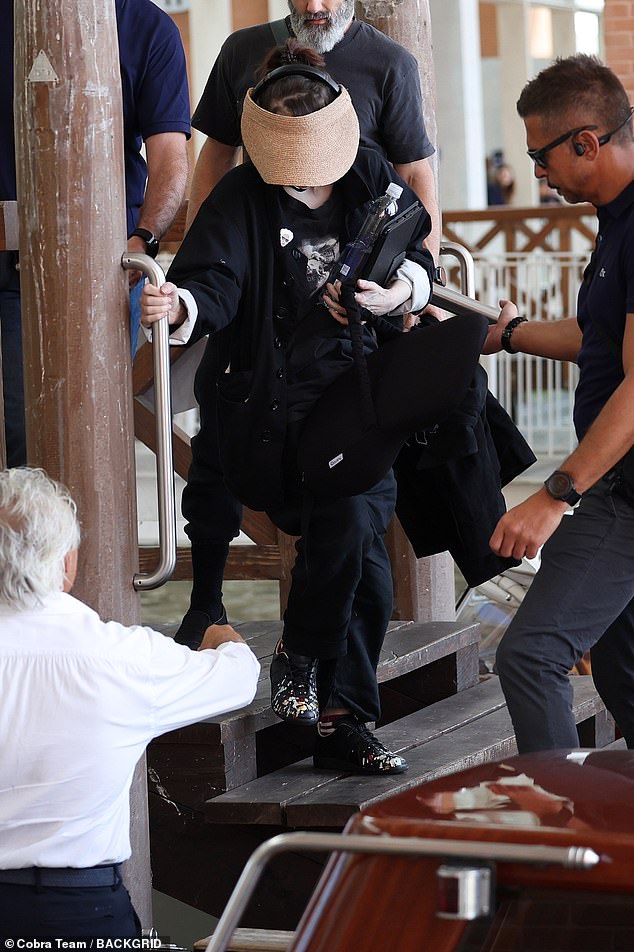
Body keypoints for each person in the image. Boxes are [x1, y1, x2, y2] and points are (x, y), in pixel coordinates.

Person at [141, 42, 436, 774]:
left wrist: (398, 294)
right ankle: (329, 699)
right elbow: (213, 281)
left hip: (357, 395)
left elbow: (418, 255)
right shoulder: (241, 198)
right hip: (270, 411)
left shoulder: (369, 173)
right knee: (353, 545)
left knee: (362, 547)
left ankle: (330, 701)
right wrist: (179, 305)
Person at [174, 0, 442, 648]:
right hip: (257, 282)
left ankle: (327, 668)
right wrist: (212, 238)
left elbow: (414, 180)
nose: (315, 4)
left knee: (355, 500)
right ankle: (208, 604)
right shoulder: (241, 54)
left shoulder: (390, 65)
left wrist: (416, 280)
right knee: (220, 435)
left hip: (355, 310)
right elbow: (215, 153)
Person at [0, 467, 260, 937]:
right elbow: (239, 680)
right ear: (67, 563)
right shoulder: (122, 657)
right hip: (78, 911)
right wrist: (224, 640)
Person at [483, 54, 634, 753]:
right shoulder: (615, 220)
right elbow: (597, 338)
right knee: (624, 676)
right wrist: (509, 333)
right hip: (613, 486)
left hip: (622, 493)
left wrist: (555, 494)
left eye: (541, 154)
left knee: (530, 656)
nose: (535, 171)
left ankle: (557, 858)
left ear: (587, 142)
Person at [0, 0, 190, 467]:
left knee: (94, 434)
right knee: (23, 439)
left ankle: (91, 543)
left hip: (107, 266)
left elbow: (170, 157)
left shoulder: (149, 28)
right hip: (10, 261)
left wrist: (142, 238)